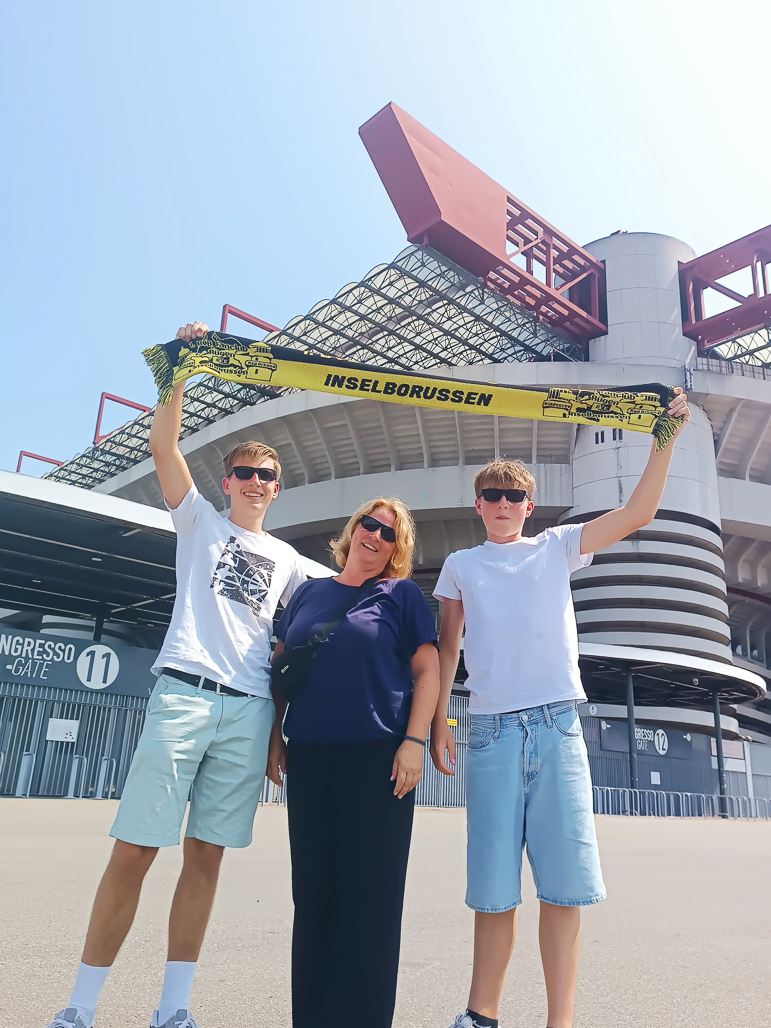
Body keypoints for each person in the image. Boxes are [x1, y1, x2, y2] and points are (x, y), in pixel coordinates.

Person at [45, 322, 307, 1028]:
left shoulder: (288, 561)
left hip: (248, 710)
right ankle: (80, 1007)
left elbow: (291, 647)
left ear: (277, 488)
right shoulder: (198, 522)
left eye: (267, 477)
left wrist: (278, 733)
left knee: (206, 860)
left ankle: (173, 1009)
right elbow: (164, 447)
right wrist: (179, 371)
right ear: (227, 483)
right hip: (184, 694)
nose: (256, 483)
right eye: (245, 474)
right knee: (135, 850)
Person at [430, 390, 691, 1028]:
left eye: (513, 496)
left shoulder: (558, 545)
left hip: (556, 726)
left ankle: (560, 1021)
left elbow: (637, 513)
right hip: (490, 732)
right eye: (491, 495)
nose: (502, 505)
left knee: (564, 886)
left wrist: (664, 440)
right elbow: (448, 648)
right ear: (477, 504)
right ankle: (480, 1014)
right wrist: (439, 721)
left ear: (530, 504)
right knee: (492, 890)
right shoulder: (461, 564)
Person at [267, 496, 441, 1028]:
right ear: (353, 529)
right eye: (370, 524)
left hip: (378, 762)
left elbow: (429, 671)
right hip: (311, 758)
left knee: (371, 900)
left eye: (390, 534)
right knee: (313, 894)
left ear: (397, 549)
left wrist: (414, 741)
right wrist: (274, 736)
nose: (376, 536)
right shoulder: (308, 593)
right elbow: (282, 666)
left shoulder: (401, 595)